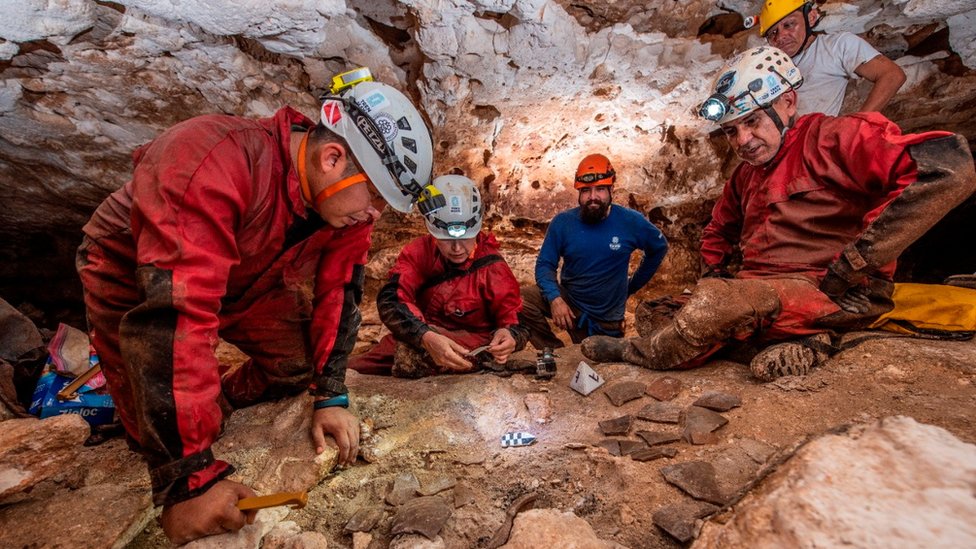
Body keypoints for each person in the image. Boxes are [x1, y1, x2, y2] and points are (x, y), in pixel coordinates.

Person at [75, 68, 437, 544]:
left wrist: (329, 394)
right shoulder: (210, 156)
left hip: (247, 274)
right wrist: (189, 484)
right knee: (153, 430)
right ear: (332, 158)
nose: (375, 214)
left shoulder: (342, 212)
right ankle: (187, 434)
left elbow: (340, 293)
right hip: (136, 274)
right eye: (376, 197)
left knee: (296, 366)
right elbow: (176, 314)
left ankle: (213, 402)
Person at [582, 46, 975, 380]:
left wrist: (855, 263)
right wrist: (714, 275)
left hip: (830, 292)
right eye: (732, 131)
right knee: (658, 310)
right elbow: (719, 229)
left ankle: (636, 353)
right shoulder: (746, 176)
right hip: (762, 292)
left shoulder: (836, 137)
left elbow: (949, 171)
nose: (743, 140)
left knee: (715, 308)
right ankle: (791, 341)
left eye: (751, 122)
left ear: (787, 102)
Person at [349, 175, 529, 378]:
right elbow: (392, 300)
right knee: (352, 369)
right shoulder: (418, 253)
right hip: (419, 334)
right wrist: (425, 335)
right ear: (432, 232)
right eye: (446, 240)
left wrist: (510, 335)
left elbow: (515, 318)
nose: (457, 248)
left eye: (466, 238)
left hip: (470, 346)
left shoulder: (492, 268)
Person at [519, 153, 668, 349]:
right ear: (579, 193)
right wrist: (555, 298)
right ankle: (554, 352)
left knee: (595, 366)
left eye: (600, 189)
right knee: (518, 299)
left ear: (611, 189)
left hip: (605, 320)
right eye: (586, 190)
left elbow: (658, 248)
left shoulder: (630, 221)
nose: (593, 197)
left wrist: (630, 287)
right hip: (570, 303)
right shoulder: (563, 223)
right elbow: (545, 264)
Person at [758, 0, 906, 116]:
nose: (781, 36)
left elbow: (892, 75)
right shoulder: (767, 66)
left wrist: (859, 124)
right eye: (773, 33)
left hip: (813, 144)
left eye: (789, 24)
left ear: (810, 17)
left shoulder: (837, 46)